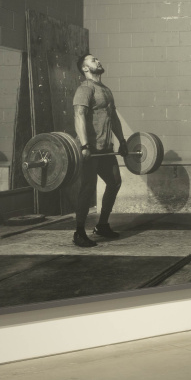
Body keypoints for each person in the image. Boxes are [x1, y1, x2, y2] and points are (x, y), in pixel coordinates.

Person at [71, 53, 125, 247]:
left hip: (105, 148)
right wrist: (85, 145)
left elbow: (114, 118)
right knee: (87, 187)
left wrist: (122, 140)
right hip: (90, 149)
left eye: (97, 59)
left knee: (115, 182)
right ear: (85, 68)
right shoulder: (85, 89)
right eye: (93, 60)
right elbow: (79, 115)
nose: (98, 61)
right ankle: (79, 232)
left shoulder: (105, 90)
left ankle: (102, 225)